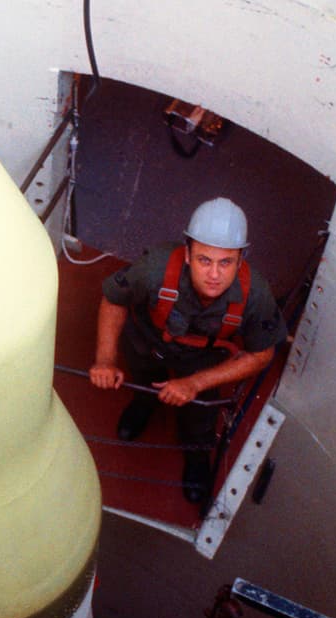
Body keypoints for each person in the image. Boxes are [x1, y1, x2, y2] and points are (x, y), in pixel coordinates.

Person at [89, 198, 287, 503]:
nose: (214, 274)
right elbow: (115, 299)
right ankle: (143, 403)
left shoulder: (255, 295)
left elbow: (262, 355)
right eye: (204, 260)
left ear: (241, 259)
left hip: (203, 362)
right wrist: (105, 359)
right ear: (187, 254)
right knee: (143, 379)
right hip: (149, 342)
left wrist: (195, 383)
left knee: (200, 417)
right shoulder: (155, 268)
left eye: (226, 263)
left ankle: (197, 457)